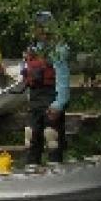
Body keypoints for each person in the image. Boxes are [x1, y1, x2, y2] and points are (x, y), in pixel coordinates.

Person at [22, 11, 70, 165]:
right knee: (31, 136)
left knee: (51, 137)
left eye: (43, 27)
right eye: (38, 27)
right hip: (35, 100)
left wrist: (59, 104)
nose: (40, 31)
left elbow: (63, 79)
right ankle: (32, 167)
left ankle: (56, 168)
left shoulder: (58, 50)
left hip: (52, 98)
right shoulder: (33, 50)